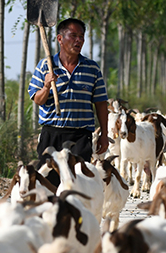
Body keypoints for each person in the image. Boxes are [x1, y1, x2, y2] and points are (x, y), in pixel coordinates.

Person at [28, 18, 109, 186]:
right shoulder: (46, 66)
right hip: (52, 134)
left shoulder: (92, 68)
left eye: (81, 36)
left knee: (78, 182)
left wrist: (104, 135)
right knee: (48, 183)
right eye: (73, 36)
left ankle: (75, 212)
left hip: (80, 136)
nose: (78, 40)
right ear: (60, 39)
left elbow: (101, 103)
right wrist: (46, 86)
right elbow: (38, 100)